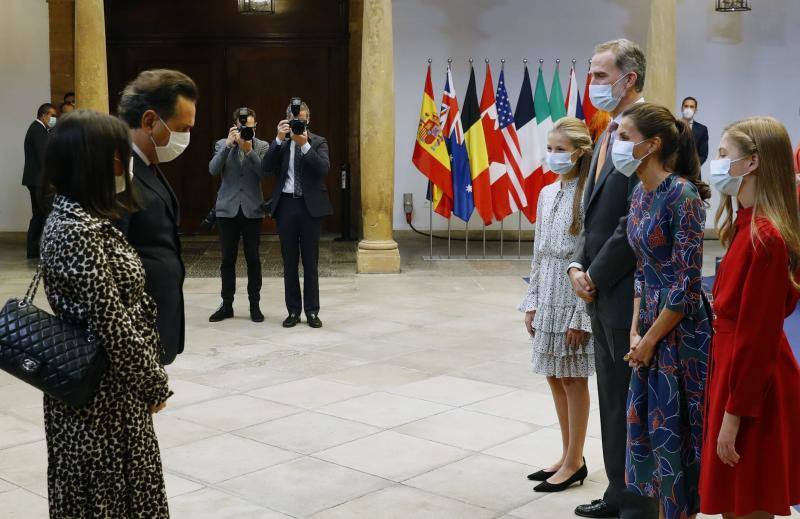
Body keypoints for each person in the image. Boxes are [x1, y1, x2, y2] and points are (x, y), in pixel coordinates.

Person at [39, 110, 171, 518]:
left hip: (113, 390)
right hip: (99, 399)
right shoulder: (76, 229)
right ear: (94, 162)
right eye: (117, 154)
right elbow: (110, 322)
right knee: (108, 498)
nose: (124, 163)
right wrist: (153, 384)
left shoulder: (85, 218)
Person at [567, 39, 657, 519]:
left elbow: (634, 218)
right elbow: (593, 213)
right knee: (609, 396)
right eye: (592, 74)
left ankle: (640, 504)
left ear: (630, 80)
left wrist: (596, 273)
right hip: (599, 287)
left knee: (630, 400)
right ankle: (617, 493)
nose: (593, 84)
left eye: (601, 76)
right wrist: (577, 265)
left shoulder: (647, 132)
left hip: (629, 289)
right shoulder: (606, 133)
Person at [700, 116, 800, 519]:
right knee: (735, 503)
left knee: (747, 503)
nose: (718, 162)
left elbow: (756, 338)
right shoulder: (744, 225)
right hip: (734, 375)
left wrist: (733, 416)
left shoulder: (767, 237)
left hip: (751, 390)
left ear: (752, 163)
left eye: (725, 155)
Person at [617, 103, 712, 519]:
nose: (617, 146)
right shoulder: (639, 192)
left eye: (624, 138)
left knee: (678, 435)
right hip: (650, 325)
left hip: (681, 331)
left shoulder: (684, 195)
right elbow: (642, 267)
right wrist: (636, 330)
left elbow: (687, 283)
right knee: (652, 438)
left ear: (651, 144)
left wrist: (652, 339)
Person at [520, 117, 594, 492]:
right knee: (553, 374)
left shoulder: (588, 194)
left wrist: (582, 314)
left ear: (579, 152)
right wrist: (531, 300)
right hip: (547, 287)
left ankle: (575, 459)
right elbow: (538, 253)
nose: (553, 156)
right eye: (550, 148)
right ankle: (568, 456)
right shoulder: (548, 193)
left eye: (560, 150)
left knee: (572, 376)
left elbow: (589, 256)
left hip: (571, 292)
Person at [115, 69, 197, 365]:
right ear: (150, 121)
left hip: (154, 323)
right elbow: (111, 274)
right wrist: (139, 365)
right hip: (134, 337)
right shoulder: (119, 171)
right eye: (183, 129)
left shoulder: (147, 164)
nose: (186, 138)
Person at [261, 99, 333, 329]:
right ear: (287, 120)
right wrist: (278, 139)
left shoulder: (318, 142)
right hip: (287, 206)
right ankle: (293, 310)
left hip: (310, 207)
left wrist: (304, 145)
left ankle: (312, 311)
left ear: (308, 120)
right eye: (294, 120)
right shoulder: (281, 144)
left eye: (301, 120)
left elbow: (323, 169)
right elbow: (266, 168)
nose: (298, 124)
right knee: (289, 262)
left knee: (311, 262)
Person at [208, 107, 269, 323]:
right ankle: (227, 305)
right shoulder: (222, 144)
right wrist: (227, 146)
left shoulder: (262, 146)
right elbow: (213, 170)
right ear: (235, 124)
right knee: (227, 260)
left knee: (253, 259)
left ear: (255, 126)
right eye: (243, 127)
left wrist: (249, 149)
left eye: (250, 127)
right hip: (227, 210)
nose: (246, 130)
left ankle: (255, 305)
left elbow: (264, 173)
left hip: (252, 210)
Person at [21, 103, 57, 259]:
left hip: (35, 180)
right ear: (44, 115)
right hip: (40, 181)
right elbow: (44, 157)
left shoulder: (38, 129)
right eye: (52, 115)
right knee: (47, 214)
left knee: (39, 215)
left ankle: (33, 250)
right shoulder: (38, 130)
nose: (54, 119)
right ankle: (45, 250)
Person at [680, 97, 709, 166]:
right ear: (681, 108)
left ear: (695, 110)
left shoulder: (702, 129)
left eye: (691, 107)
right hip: (674, 172)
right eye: (686, 106)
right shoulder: (673, 126)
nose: (688, 109)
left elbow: (703, 155)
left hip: (693, 173)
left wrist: (692, 167)